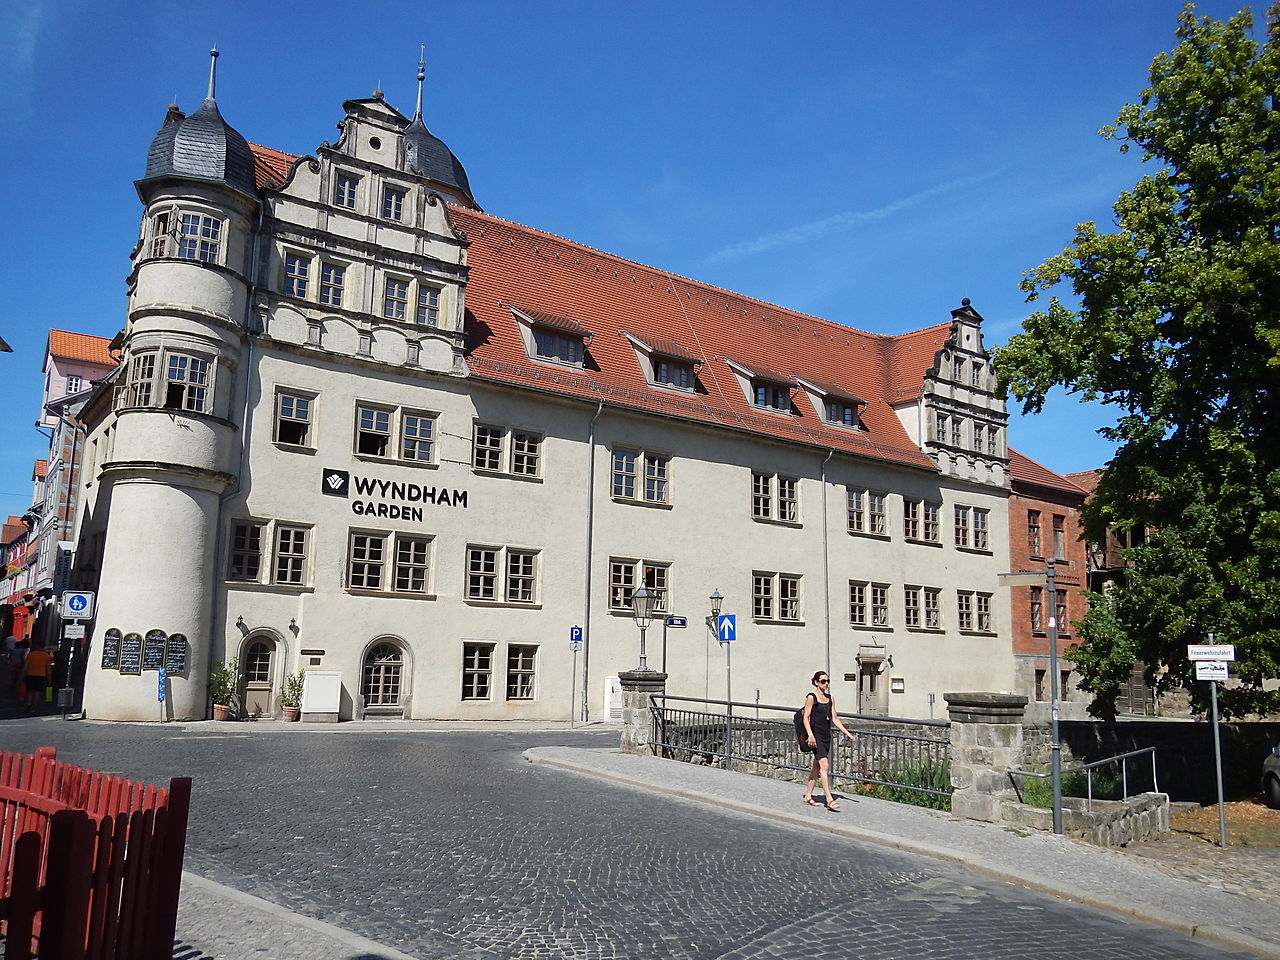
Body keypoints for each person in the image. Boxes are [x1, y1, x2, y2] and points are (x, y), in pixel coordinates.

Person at [801, 670, 856, 811]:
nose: (826, 684)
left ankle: (808, 796)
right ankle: (829, 799)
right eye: (823, 681)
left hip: (826, 736)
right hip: (815, 737)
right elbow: (805, 718)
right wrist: (810, 735)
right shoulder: (811, 697)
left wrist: (847, 733)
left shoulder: (830, 698)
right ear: (815, 682)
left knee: (817, 767)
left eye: (827, 681)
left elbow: (835, 719)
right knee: (824, 766)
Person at [22, 638, 53, 715]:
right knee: (37, 692)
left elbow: (25, 666)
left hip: (30, 674)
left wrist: (23, 675)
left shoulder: (31, 654)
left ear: (37, 646)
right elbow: (48, 669)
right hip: (41, 675)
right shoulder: (46, 656)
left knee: (30, 691)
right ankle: (33, 708)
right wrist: (49, 678)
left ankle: (28, 704)